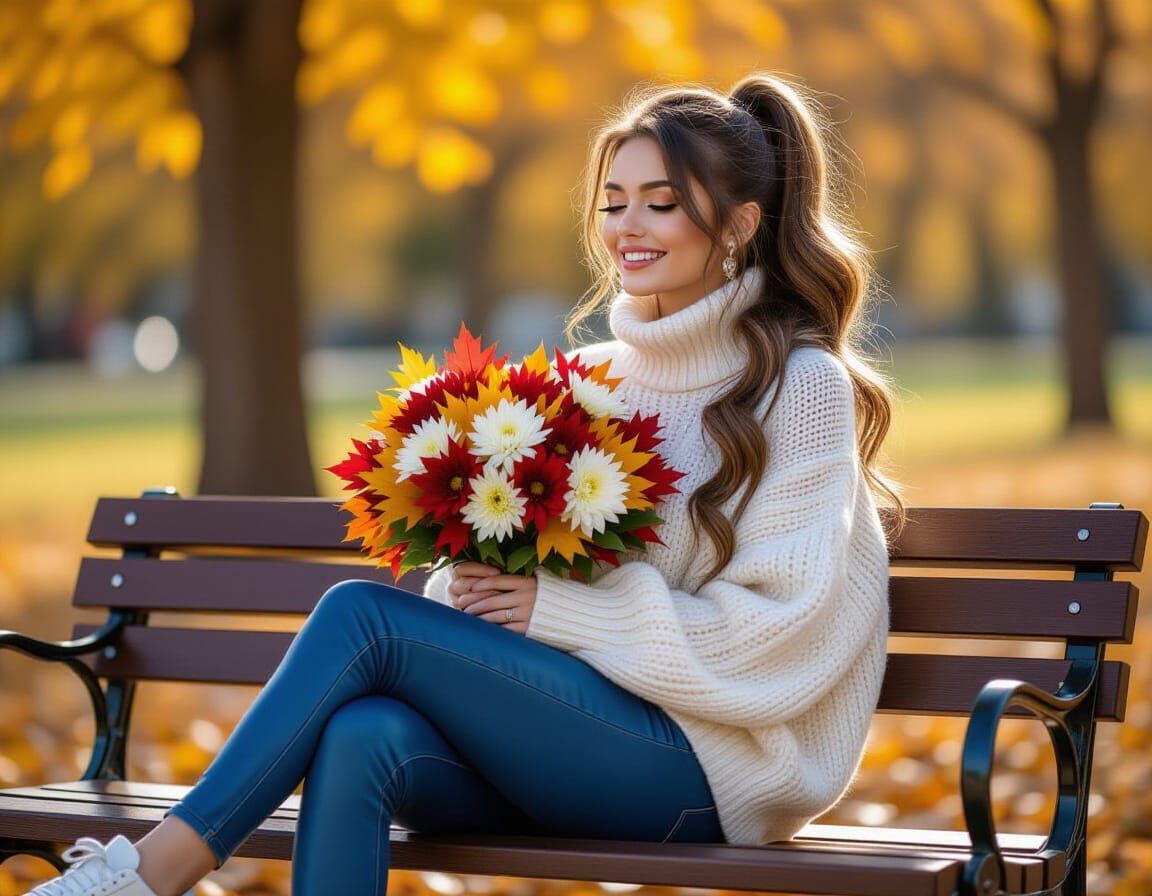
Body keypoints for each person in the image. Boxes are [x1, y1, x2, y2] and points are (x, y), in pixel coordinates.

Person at [24, 72, 902, 896]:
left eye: (661, 204)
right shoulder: (584, 378)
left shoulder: (802, 387)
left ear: (742, 225)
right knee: (361, 734)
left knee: (360, 615)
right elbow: (505, 592)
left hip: (712, 771)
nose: (628, 226)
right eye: (614, 202)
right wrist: (478, 586)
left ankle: (151, 872)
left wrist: (556, 612)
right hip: (560, 737)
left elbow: (786, 638)